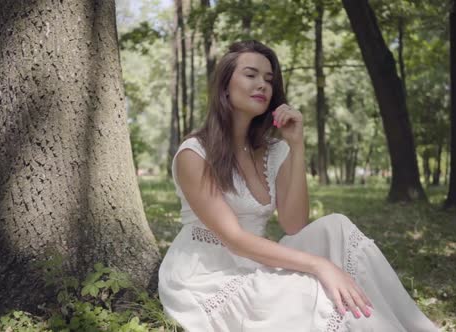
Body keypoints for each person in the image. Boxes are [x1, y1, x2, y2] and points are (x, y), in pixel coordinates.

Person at [158, 40, 439, 332]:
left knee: (337, 226)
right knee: (322, 293)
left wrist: (296, 145)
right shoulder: (195, 153)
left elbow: (294, 225)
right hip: (209, 275)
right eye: (251, 75)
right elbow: (234, 239)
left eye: (269, 79)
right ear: (225, 86)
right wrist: (320, 265)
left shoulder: (273, 151)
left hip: (256, 262)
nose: (263, 85)